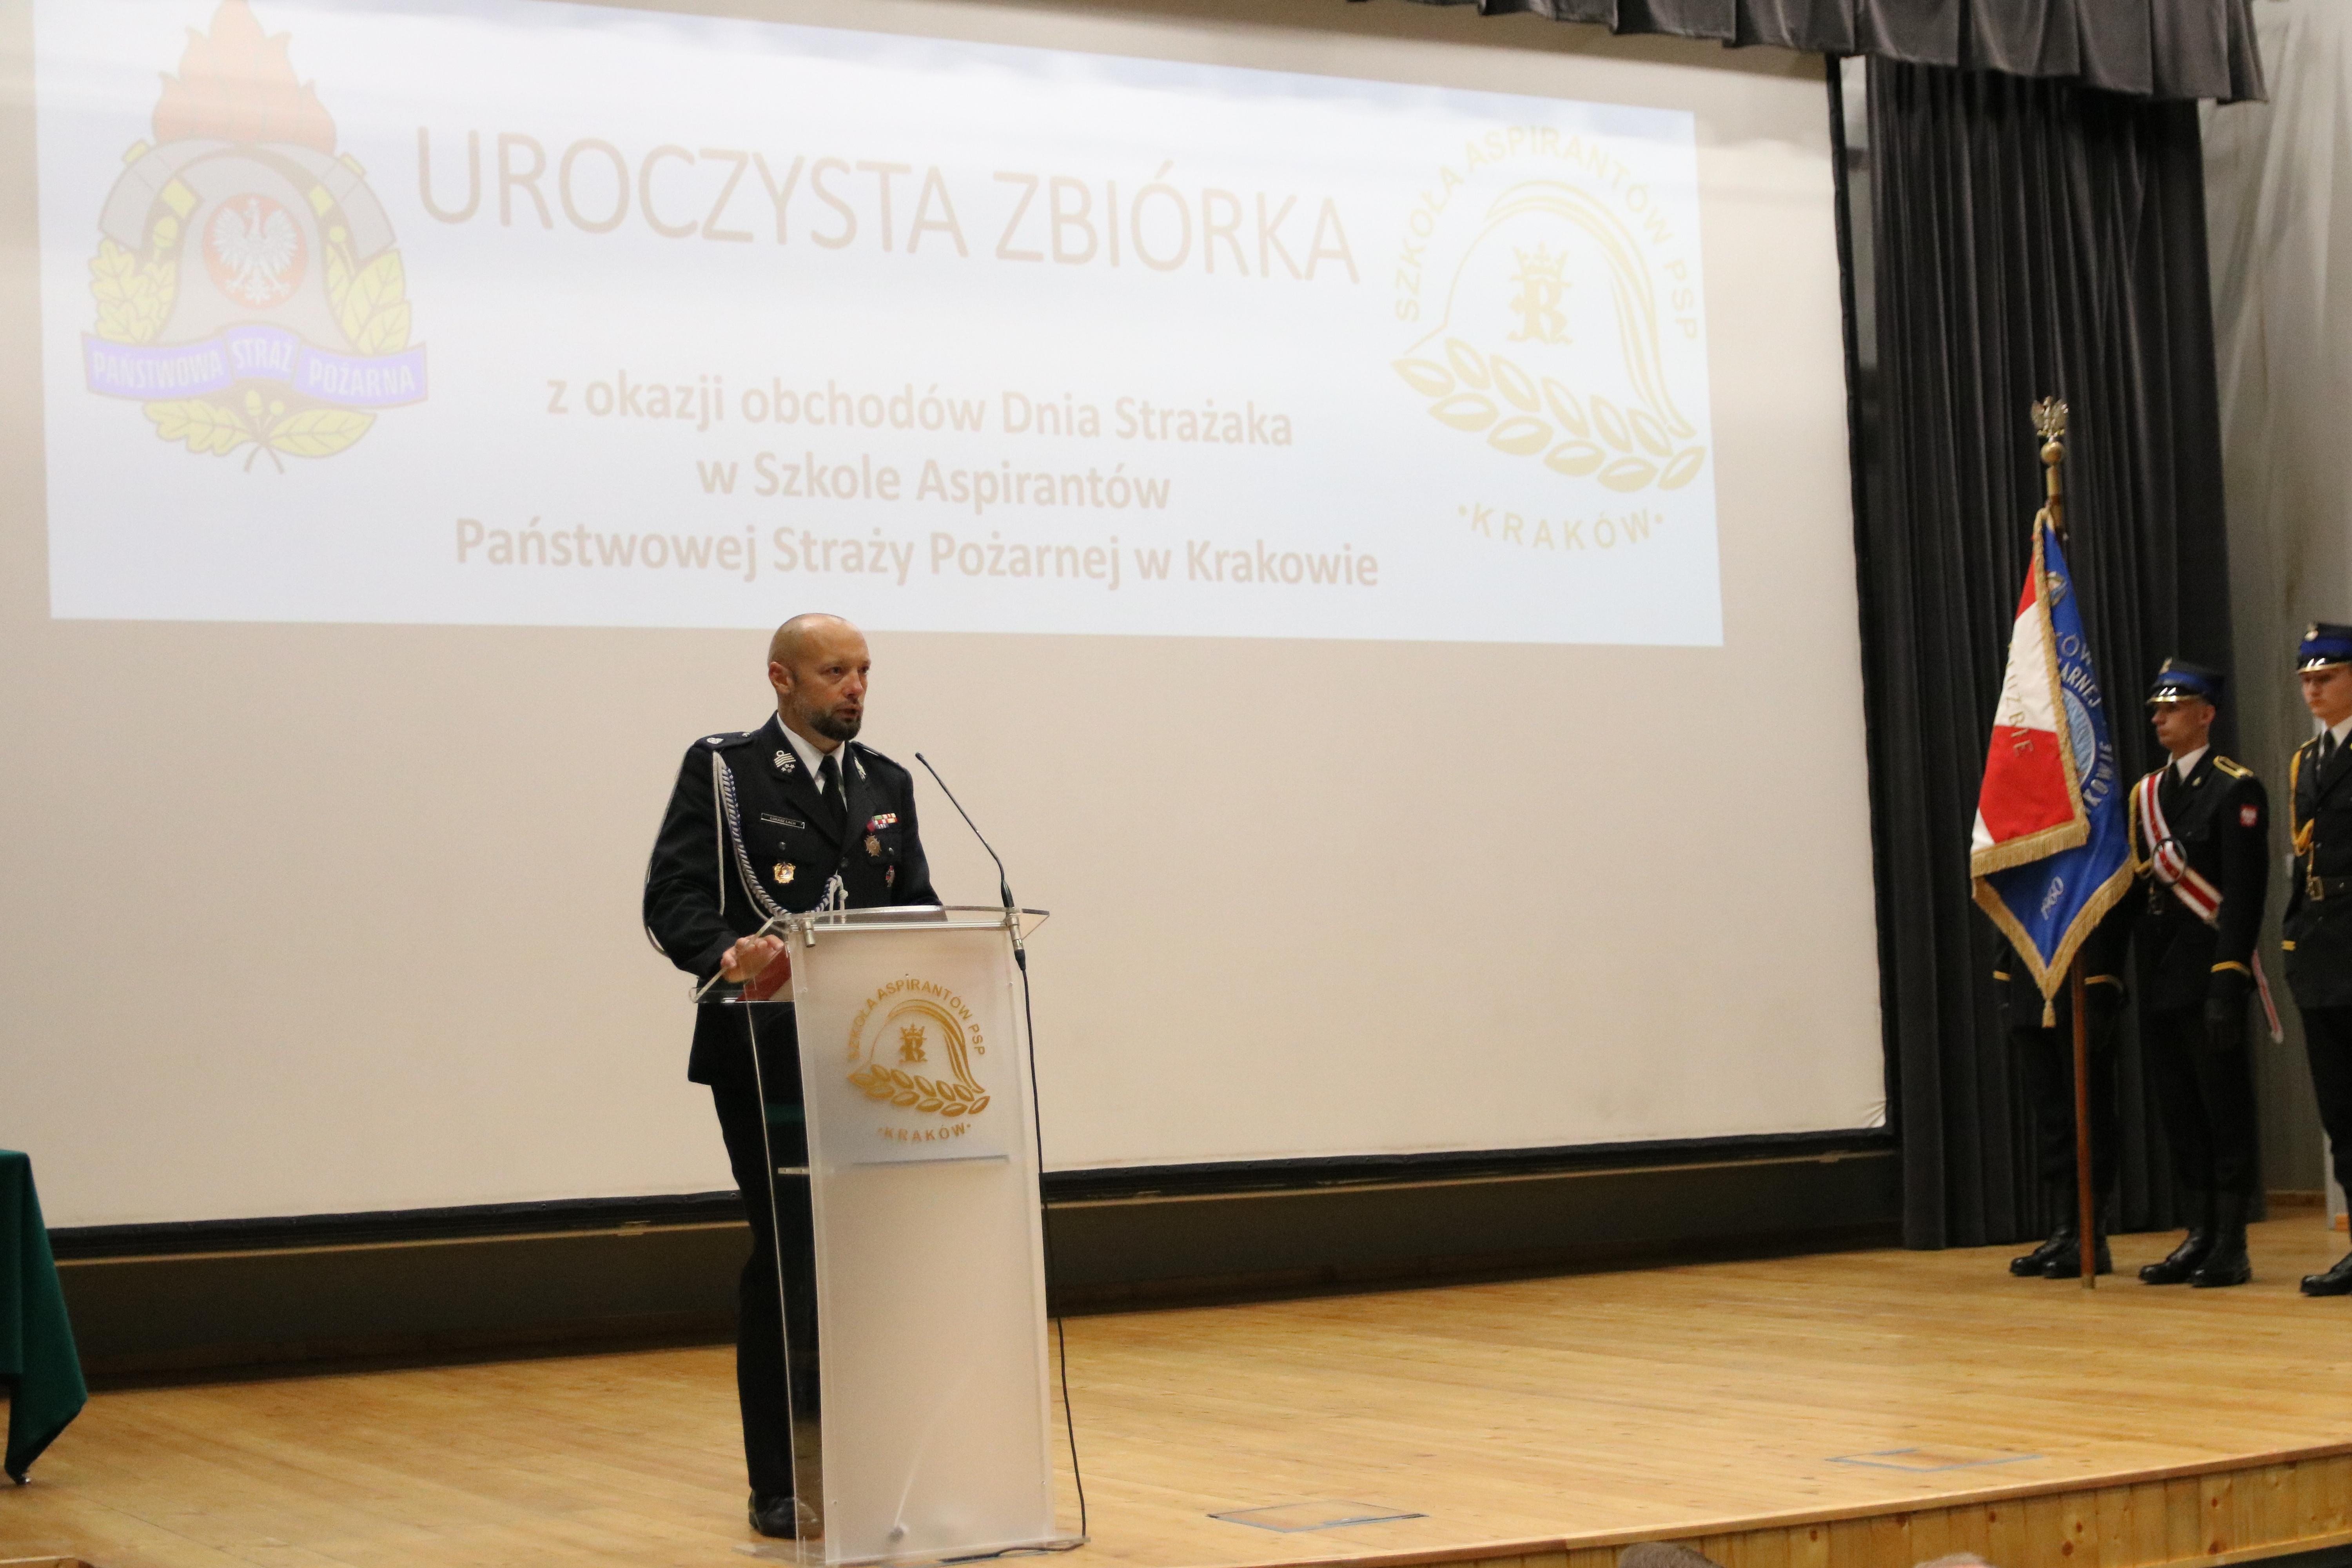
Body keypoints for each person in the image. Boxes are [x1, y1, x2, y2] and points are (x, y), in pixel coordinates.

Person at [642, 613, 937, 1537]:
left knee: (873, 1262)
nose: (856, 687)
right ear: (782, 678)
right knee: (792, 1256)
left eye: (864, 670)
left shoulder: (886, 782)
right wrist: (726, 951)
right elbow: (672, 898)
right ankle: (784, 1477)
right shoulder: (727, 772)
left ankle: (875, 1463)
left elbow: (918, 908)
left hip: (869, 1059)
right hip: (765, 1050)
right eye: (835, 671)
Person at [2128, 658, 2268, 1288]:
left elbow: (2244, 894)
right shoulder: (2148, 795)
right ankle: (2199, 1232)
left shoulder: (2236, 788)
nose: (2160, 718)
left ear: (2206, 714)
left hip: (2210, 972)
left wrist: (2228, 978)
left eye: (2174, 708)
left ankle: (2232, 1241)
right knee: (2180, 1110)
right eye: (2157, 709)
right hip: (2161, 973)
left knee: (2223, 1107)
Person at [1995, 904, 2131, 1278]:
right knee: (2054, 1120)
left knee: (2090, 1114)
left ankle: (2092, 1237)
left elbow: (2106, 905)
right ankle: (2064, 1231)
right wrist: (2005, 982)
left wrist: (2102, 983)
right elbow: (2009, 905)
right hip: (2030, 984)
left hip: (2081, 981)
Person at [2285, 623, 2352, 1296]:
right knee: (2342, 1114)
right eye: (2307, 679)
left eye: (2326, 677)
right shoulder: (2307, 760)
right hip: (2322, 953)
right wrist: (2292, 943)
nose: (2313, 689)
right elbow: (2303, 861)